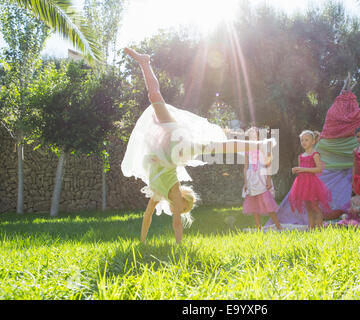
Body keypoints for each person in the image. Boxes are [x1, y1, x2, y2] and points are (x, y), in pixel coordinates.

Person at [121, 47, 276, 243]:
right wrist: (179, 246)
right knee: (221, 145)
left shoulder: (158, 194)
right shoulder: (175, 194)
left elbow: (147, 217)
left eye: (182, 210)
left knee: (155, 98)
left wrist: (142, 241)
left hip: (169, 145)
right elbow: (177, 224)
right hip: (179, 146)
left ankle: (144, 62)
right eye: (184, 208)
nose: (179, 210)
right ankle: (260, 145)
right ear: (183, 200)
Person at [288, 130, 332, 229]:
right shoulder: (301, 156)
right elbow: (301, 170)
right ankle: (311, 228)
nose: (303, 142)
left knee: (315, 207)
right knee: (308, 208)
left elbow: (319, 169)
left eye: (306, 140)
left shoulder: (315, 154)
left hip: (312, 184)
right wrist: (297, 170)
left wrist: (303, 169)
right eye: (302, 140)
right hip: (303, 184)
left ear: (313, 142)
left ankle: (319, 229)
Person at [242, 127, 282, 230]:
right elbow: (246, 167)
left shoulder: (263, 147)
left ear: (259, 136)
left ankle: (278, 226)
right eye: (250, 137)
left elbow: (268, 163)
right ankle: (258, 227)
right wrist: (245, 182)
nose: (252, 138)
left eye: (254, 136)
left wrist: (268, 178)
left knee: (267, 201)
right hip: (252, 178)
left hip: (262, 177)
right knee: (253, 203)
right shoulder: (247, 150)